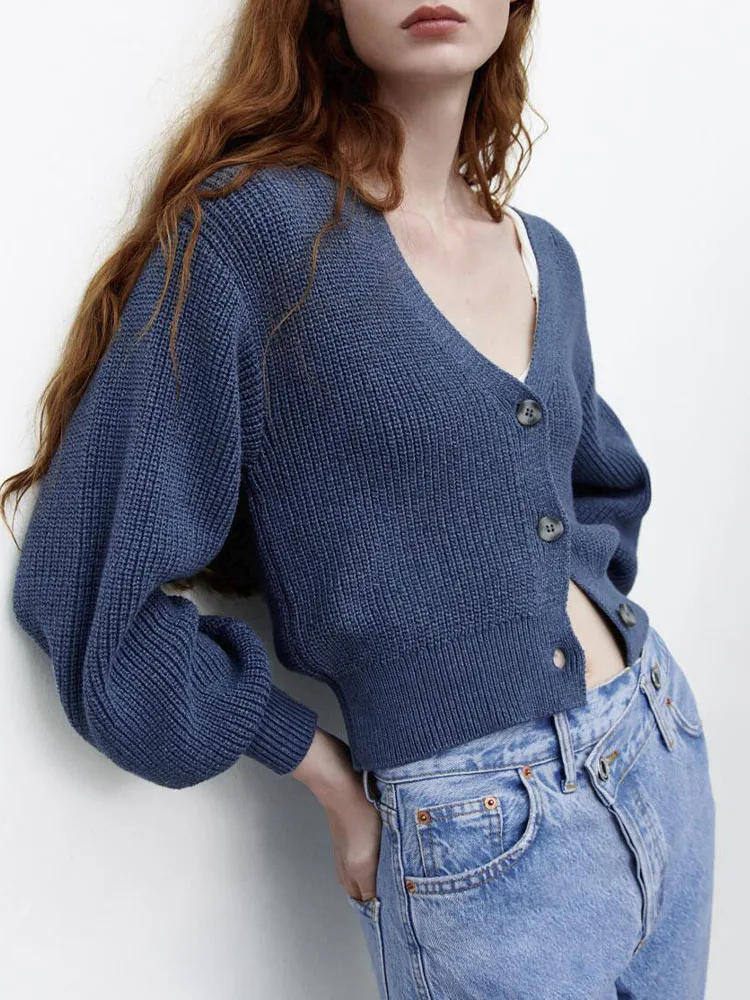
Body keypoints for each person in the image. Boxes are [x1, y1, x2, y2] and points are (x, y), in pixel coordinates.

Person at [3, 2, 715, 997]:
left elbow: (594, 490)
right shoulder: (256, 233)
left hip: (659, 744)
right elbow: (82, 586)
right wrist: (323, 771)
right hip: (481, 837)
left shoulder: (539, 252)